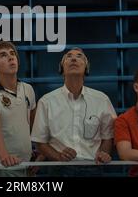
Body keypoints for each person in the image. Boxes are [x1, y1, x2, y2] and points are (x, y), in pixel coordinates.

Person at [31, 48, 116, 176]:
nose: (74, 58)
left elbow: (108, 136)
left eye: (79, 56)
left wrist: (102, 154)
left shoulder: (102, 100)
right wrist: (58, 156)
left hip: (93, 167)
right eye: (69, 56)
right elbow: (39, 141)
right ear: (61, 68)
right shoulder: (46, 101)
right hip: (59, 169)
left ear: (86, 68)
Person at [0, 41, 38, 176]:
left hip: (28, 165)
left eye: (13, 54)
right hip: (4, 167)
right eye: (3, 55)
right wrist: (5, 156)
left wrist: (38, 151)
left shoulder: (28, 89)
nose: (11, 57)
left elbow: (34, 125)